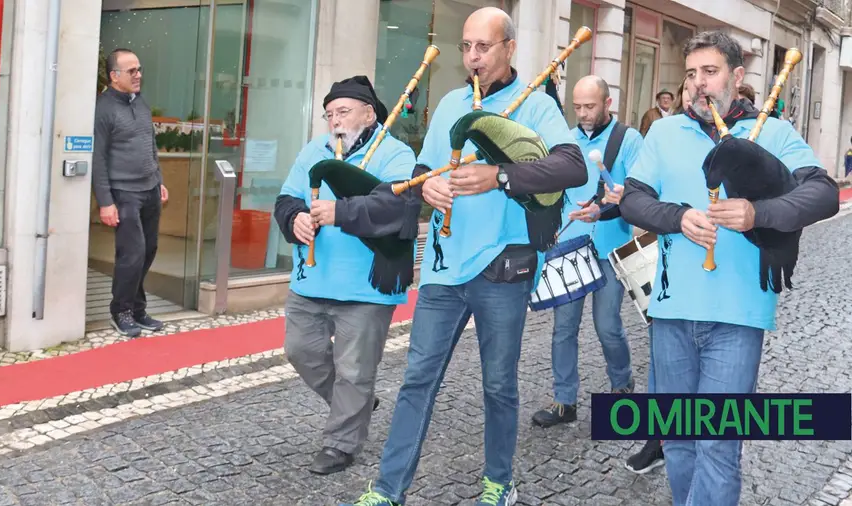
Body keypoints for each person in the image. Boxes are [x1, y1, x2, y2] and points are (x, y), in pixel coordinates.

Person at [342, 7, 587, 506]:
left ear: (509, 49)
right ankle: (388, 491)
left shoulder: (536, 105)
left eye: (484, 47)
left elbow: (572, 166)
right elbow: (424, 169)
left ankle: (499, 482)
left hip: (501, 271)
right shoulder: (453, 101)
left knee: (498, 386)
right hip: (441, 268)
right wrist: (428, 185)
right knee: (417, 382)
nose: (473, 57)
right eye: (466, 47)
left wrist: (500, 175)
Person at [619, 30, 839, 506]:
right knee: (677, 439)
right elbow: (633, 200)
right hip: (671, 311)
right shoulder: (664, 131)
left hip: (737, 317)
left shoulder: (772, 132)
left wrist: (757, 214)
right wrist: (678, 217)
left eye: (711, 72)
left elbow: (822, 193)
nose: (699, 84)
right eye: (692, 74)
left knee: (717, 444)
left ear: (737, 78)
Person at [274, 75, 418, 475]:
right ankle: (355, 403)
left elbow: (398, 210)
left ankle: (341, 443)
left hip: (366, 284)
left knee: (354, 369)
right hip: (312, 278)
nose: (335, 120)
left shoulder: (395, 154)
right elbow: (286, 198)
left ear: (369, 114)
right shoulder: (313, 150)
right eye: (330, 114)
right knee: (300, 350)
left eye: (343, 111)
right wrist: (295, 220)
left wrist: (341, 213)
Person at [531, 75, 641, 429]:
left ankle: (622, 387)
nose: (582, 113)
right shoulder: (565, 141)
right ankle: (564, 401)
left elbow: (641, 195)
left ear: (608, 103)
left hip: (610, 247)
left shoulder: (629, 140)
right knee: (563, 329)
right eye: (577, 107)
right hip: (567, 247)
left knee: (607, 326)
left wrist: (608, 206)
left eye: (589, 106)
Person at [92, 48, 168, 338]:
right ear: (114, 76)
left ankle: (137, 308)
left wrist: (158, 179)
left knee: (148, 251)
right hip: (123, 193)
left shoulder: (142, 103)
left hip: (149, 189)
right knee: (132, 254)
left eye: (139, 69)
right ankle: (120, 310)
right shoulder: (103, 109)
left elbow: (149, 145)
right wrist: (105, 202)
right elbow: (98, 158)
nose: (138, 75)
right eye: (131, 71)